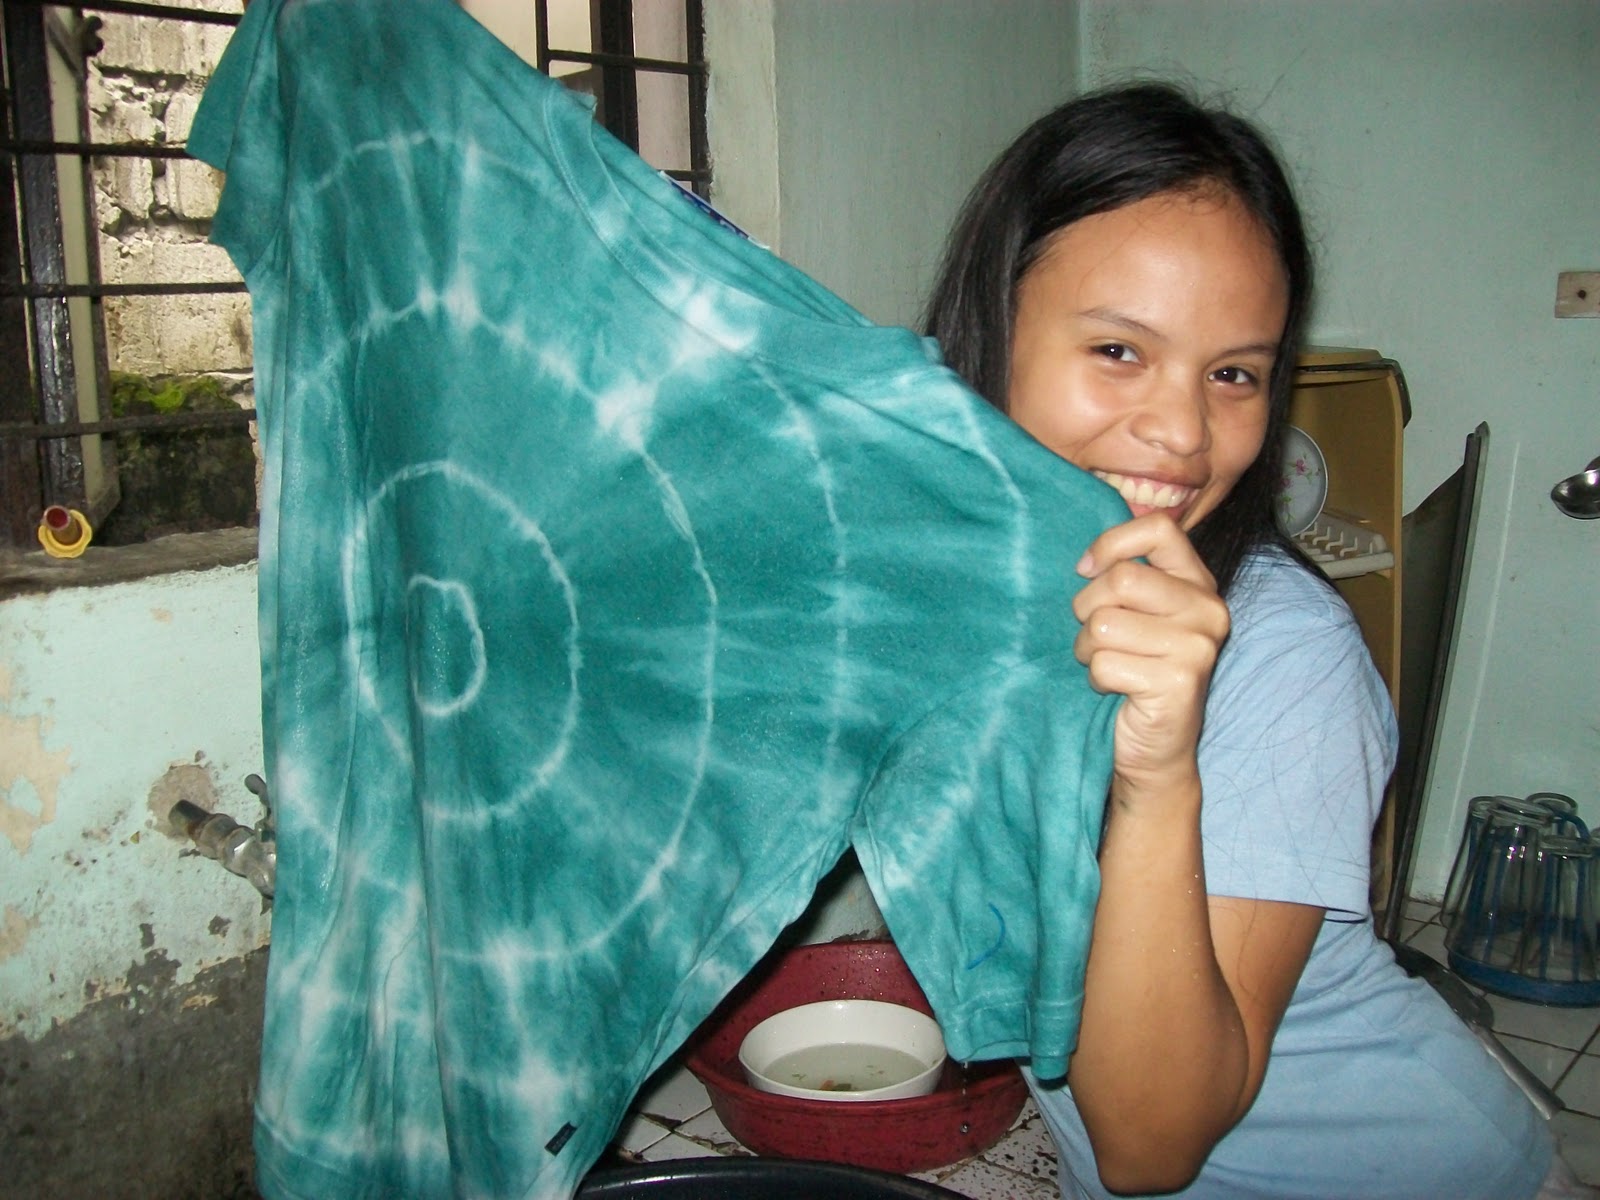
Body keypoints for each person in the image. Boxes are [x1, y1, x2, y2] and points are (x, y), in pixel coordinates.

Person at [922, 81, 1581, 1200]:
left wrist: (1157, 776)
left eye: (1234, 373)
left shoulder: (1285, 657)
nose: (1185, 434)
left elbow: (1151, 1147)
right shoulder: (966, 597)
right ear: (990, 334)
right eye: (1120, 350)